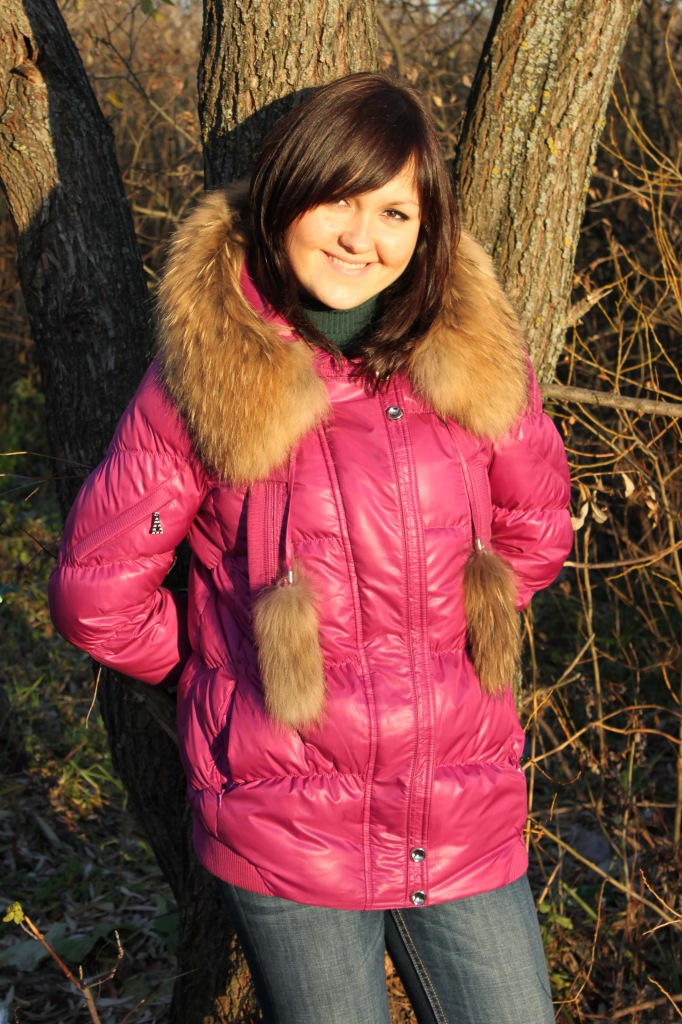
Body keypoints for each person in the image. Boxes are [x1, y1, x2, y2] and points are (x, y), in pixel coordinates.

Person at [49, 72, 573, 1024]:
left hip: (463, 810)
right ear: (287, 192)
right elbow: (99, 597)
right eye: (339, 199)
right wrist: (226, 666)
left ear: (426, 230)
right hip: (289, 830)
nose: (361, 237)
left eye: (395, 213)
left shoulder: (474, 353)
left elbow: (537, 528)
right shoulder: (215, 369)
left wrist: (443, 635)